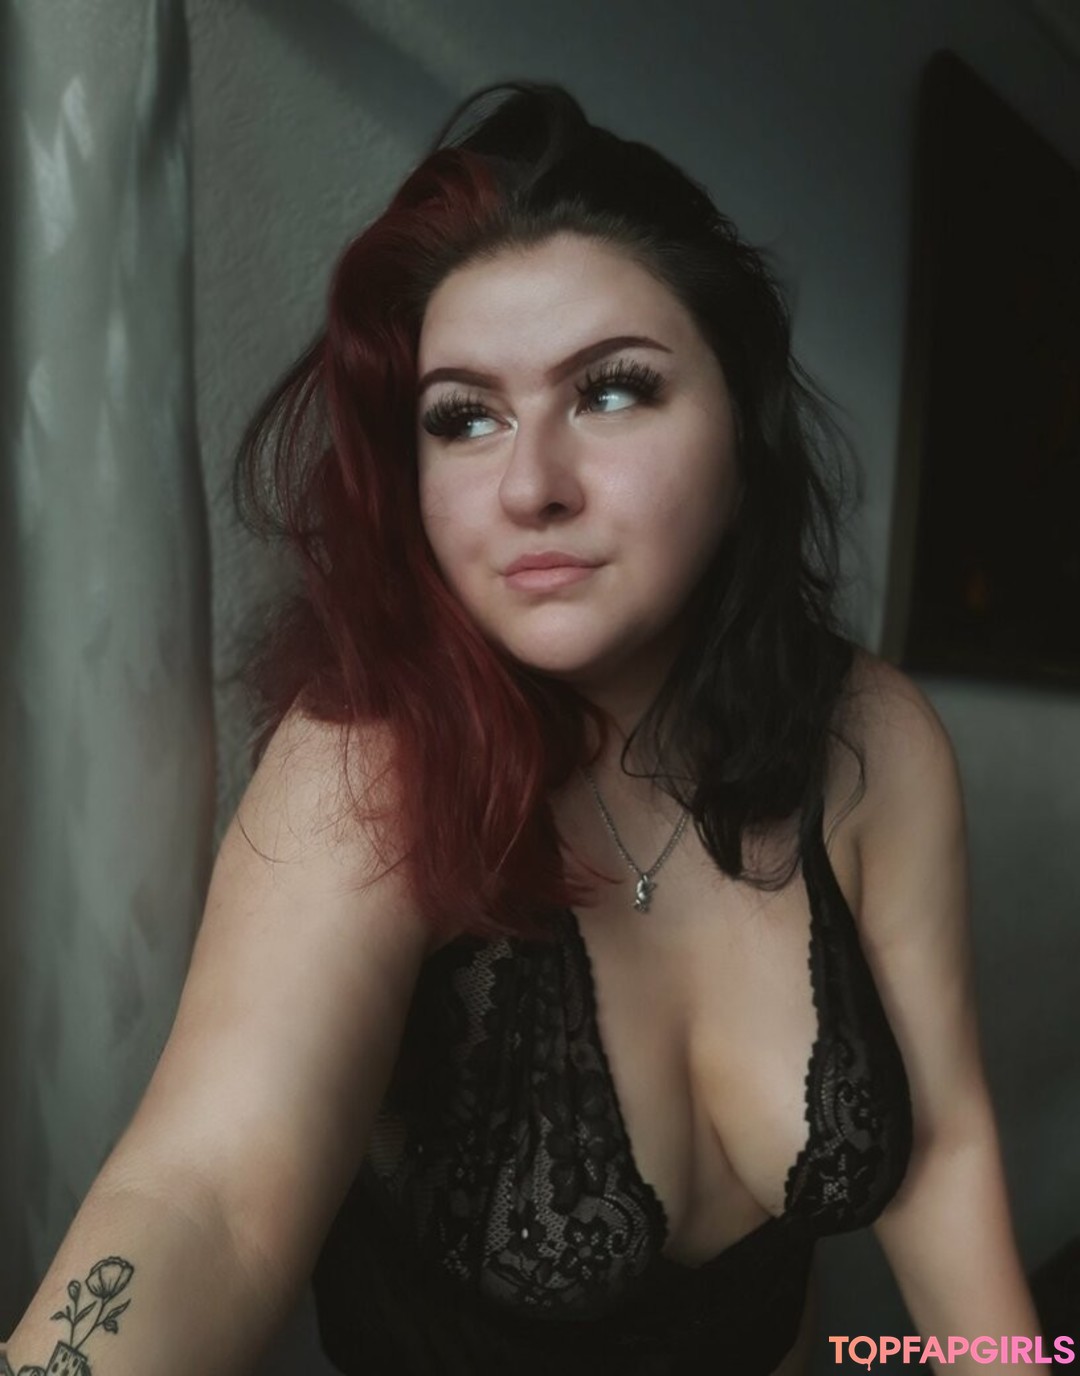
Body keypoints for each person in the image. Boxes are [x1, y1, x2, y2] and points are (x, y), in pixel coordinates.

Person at [2, 81, 1042, 1376]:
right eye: (464, 417)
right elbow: (206, 1193)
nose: (530, 485)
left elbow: (940, 1148)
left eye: (611, 392)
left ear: (745, 429)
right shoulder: (368, 766)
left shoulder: (875, 740)